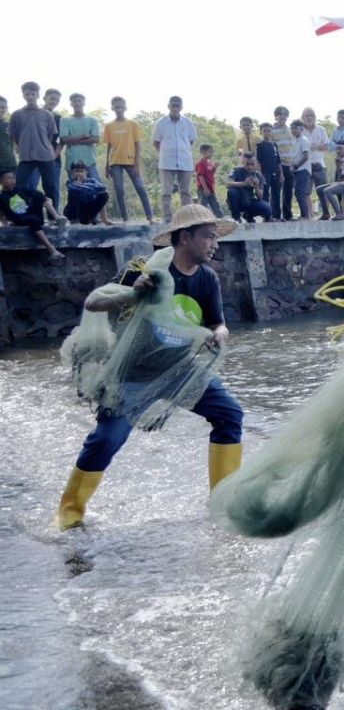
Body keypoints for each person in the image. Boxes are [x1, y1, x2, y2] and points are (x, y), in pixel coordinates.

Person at [53, 204, 244, 530]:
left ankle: (222, 506)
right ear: (185, 237)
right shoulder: (144, 270)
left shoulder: (207, 279)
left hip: (180, 371)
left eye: (216, 238)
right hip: (133, 375)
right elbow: (93, 303)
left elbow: (218, 324)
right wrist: (132, 293)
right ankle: (69, 514)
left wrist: (218, 337)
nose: (215, 244)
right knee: (106, 441)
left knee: (229, 415)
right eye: (209, 237)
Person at [102, 97, 155, 222]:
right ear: (112, 108)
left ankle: (150, 217)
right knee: (119, 190)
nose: (119, 109)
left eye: (121, 107)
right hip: (115, 161)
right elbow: (109, 145)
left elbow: (137, 144)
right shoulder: (109, 126)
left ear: (125, 108)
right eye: (116, 107)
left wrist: (137, 163)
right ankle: (125, 218)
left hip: (131, 161)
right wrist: (107, 164)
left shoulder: (133, 124)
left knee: (140, 188)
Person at [10, 82, 59, 211]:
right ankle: (21, 214)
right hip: (26, 156)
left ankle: (53, 217)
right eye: (27, 94)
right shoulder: (16, 115)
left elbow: (50, 135)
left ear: (38, 95)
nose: (30, 97)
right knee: (19, 186)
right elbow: (14, 135)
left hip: (45, 156)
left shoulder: (47, 115)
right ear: (23, 96)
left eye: (32, 94)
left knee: (50, 186)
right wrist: (20, 147)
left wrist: (43, 147)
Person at [0, 168, 67, 259]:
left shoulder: (20, 189)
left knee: (38, 194)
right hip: (18, 219)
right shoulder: (2, 197)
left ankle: (56, 217)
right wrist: (5, 224)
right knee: (33, 219)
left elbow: (37, 195)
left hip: (31, 214)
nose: (12, 181)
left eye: (13, 178)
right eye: (8, 178)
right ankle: (51, 250)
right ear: (1, 181)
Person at [152, 96, 198, 222]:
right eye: (173, 105)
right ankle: (167, 217)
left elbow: (191, 140)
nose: (175, 108)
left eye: (178, 105)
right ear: (168, 106)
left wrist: (182, 150)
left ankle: (186, 218)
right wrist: (165, 153)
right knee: (166, 192)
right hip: (167, 161)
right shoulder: (161, 123)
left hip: (185, 161)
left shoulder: (188, 122)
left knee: (186, 192)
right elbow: (156, 142)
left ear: (181, 107)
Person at [59, 93, 102, 182]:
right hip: (72, 161)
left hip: (89, 161)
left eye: (79, 101)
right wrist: (83, 136)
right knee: (75, 190)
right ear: (71, 104)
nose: (77, 103)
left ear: (84, 103)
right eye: (74, 101)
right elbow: (64, 139)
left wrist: (73, 141)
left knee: (96, 188)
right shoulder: (65, 120)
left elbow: (96, 139)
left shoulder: (92, 120)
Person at [316, 140, 344, 220]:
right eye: (337, 148)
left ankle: (339, 214)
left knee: (327, 191)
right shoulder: (340, 159)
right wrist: (338, 165)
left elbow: (341, 178)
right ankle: (326, 214)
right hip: (342, 182)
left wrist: (337, 165)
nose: (338, 151)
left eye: (340, 148)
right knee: (319, 189)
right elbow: (339, 177)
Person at [226, 153, 270, 222]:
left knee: (267, 209)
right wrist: (244, 183)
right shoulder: (235, 171)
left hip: (250, 201)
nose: (250, 167)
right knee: (232, 191)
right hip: (238, 200)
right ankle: (236, 217)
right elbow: (227, 184)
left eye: (252, 164)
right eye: (247, 164)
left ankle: (248, 215)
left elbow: (260, 197)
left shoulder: (259, 176)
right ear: (243, 162)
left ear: (256, 163)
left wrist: (256, 186)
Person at [270, 106, 296, 219]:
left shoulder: (290, 130)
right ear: (275, 116)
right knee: (275, 191)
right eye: (280, 114)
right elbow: (271, 148)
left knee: (288, 191)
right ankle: (275, 215)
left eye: (285, 114)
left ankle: (287, 215)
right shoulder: (271, 130)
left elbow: (293, 146)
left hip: (289, 165)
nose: (282, 116)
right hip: (277, 165)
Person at [255, 123, 284, 220]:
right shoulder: (260, 145)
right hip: (265, 173)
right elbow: (258, 161)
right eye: (265, 131)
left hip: (276, 172)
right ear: (261, 132)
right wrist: (260, 175)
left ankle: (277, 216)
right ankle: (267, 216)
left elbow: (278, 160)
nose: (267, 133)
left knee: (276, 195)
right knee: (265, 195)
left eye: (269, 130)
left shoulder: (274, 144)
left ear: (272, 132)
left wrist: (281, 174)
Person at [301, 108, 330, 190]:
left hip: (320, 164)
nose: (309, 117)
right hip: (304, 165)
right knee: (305, 192)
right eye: (307, 115)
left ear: (315, 117)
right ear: (303, 117)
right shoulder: (300, 130)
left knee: (323, 191)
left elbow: (326, 147)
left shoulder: (321, 130)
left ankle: (324, 203)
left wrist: (316, 146)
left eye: (311, 115)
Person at [289, 119, 313, 219]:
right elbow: (294, 156)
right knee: (298, 192)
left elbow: (306, 156)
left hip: (303, 170)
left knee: (300, 192)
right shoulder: (295, 140)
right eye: (292, 128)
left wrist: (296, 166)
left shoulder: (304, 140)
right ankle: (304, 215)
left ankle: (305, 216)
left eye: (296, 128)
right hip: (297, 170)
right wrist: (292, 166)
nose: (293, 130)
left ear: (301, 129)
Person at [195, 144, 223, 217]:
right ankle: (201, 219)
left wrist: (215, 167)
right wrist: (205, 188)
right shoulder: (201, 163)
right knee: (203, 204)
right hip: (203, 187)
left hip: (211, 187)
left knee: (215, 204)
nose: (212, 153)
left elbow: (211, 172)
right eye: (210, 152)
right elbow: (200, 176)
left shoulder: (210, 162)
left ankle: (221, 218)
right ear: (203, 152)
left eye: (212, 152)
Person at [0, 96, 15, 177]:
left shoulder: (8, 125)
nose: (1, 110)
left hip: (8, 164)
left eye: (3, 107)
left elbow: (13, 143)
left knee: (9, 188)